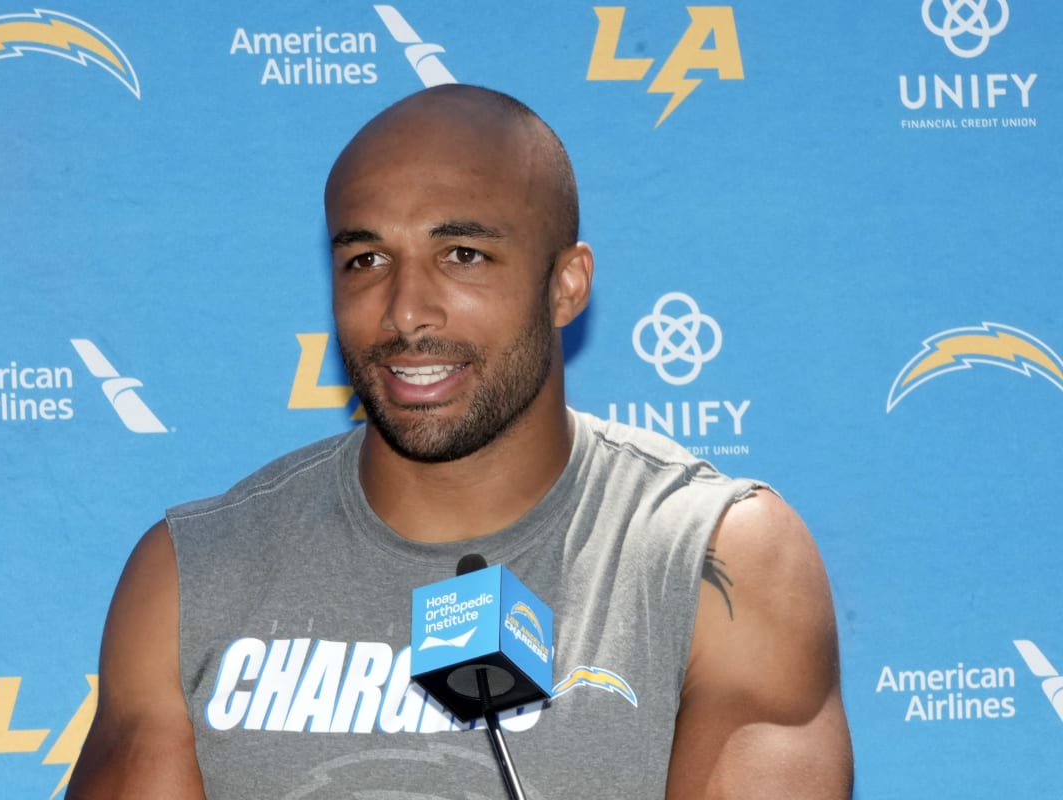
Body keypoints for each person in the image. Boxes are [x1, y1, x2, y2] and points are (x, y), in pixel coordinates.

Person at [68, 84, 852, 799]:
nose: (406, 310)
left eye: (463, 256)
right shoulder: (190, 577)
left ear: (566, 285)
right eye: (367, 259)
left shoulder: (713, 556)